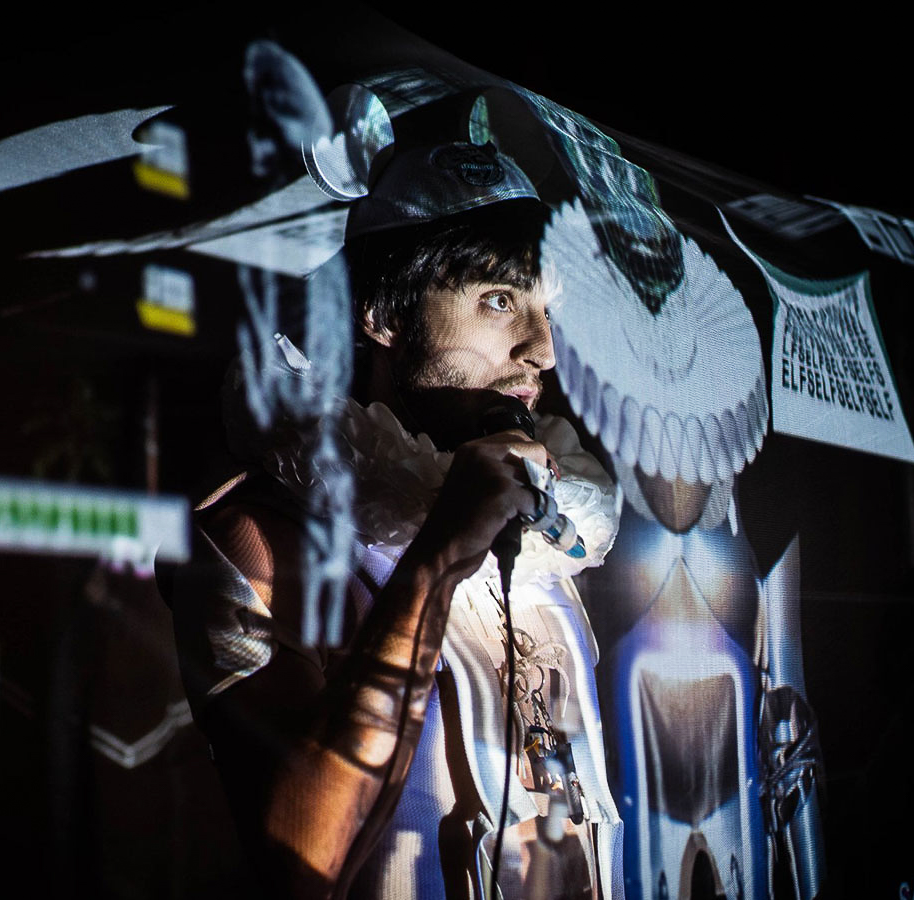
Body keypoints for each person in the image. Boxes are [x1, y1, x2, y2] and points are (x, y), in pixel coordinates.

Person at [169, 142, 623, 899]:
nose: (541, 349)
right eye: (499, 301)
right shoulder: (258, 543)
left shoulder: (549, 544)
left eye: (546, 311)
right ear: (381, 314)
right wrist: (441, 555)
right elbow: (300, 862)